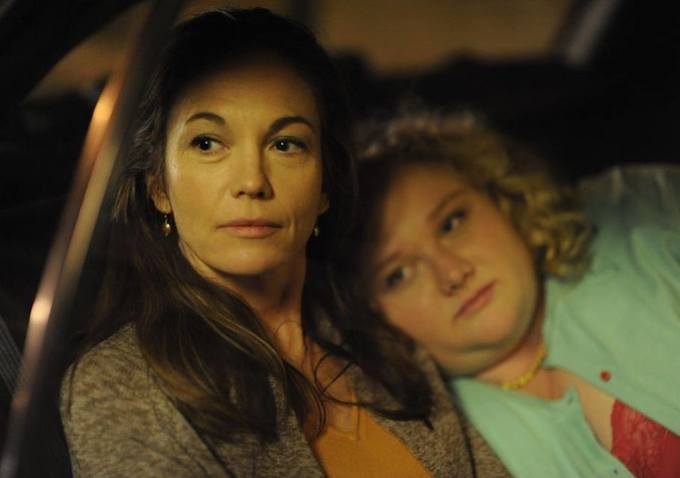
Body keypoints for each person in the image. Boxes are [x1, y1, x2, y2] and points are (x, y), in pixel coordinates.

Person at [60, 9, 510, 477]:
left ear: (324, 186)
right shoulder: (123, 383)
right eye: (208, 144)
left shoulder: (383, 336)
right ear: (158, 187)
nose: (252, 182)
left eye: (285, 144)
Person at [345, 108, 680, 477]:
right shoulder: (427, 445)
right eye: (398, 275)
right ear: (370, 314)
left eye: (452, 222)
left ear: (500, 195)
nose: (452, 273)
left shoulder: (640, 218)